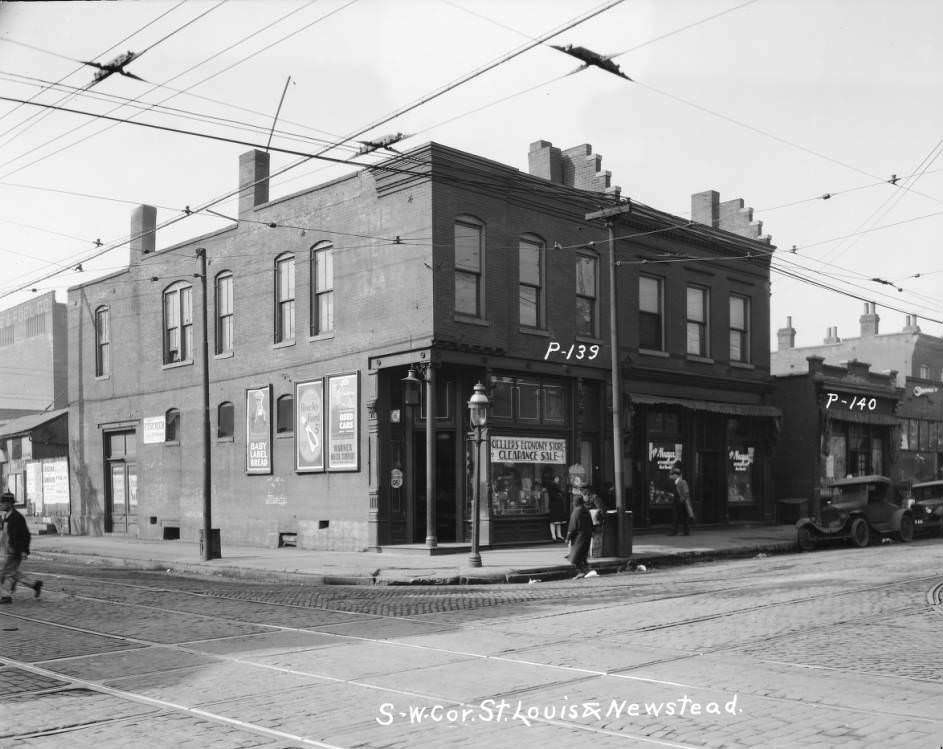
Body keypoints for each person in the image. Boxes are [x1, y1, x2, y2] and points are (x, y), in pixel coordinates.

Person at [0, 491, 42, 603]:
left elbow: (26, 535)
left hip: (13, 551)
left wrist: (24, 550)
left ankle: (6, 596)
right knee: (12, 572)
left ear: (9, 504)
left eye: (3, 503)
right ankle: (34, 585)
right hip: (6, 551)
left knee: (5, 573)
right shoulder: (6, 517)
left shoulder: (17, 518)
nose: (1, 505)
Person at [566, 492, 594, 578]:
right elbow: (591, 523)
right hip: (587, 535)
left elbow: (572, 526)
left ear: (575, 502)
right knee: (582, 555)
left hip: (579, 537)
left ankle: (583, 572)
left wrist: (568, 537)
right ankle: (588, 570)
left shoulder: (576, 511)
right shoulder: (586, 510)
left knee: (575, 557)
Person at [668, 463, 692, 536]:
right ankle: (682, 531)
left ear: (676, 475)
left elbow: (686, 492)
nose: (670, 476)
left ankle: (681, 531)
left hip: (682, 502)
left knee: (680, 517)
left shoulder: (682, 482)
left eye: (672, 474)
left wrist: (681, 500)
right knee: (678, 517)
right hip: (677, 502)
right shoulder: (675, 482)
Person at [547, 474, 568, 542]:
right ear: (554, 479)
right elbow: (559, 493)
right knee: (555, 521)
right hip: (555, 505)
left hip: (556, 506)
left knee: (557, 521)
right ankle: (555, 535)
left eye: (558, 478)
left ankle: (557, 535)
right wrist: (560, 495)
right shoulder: (553, 485)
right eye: (557, 478)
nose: (558, 480)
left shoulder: (554, 486)